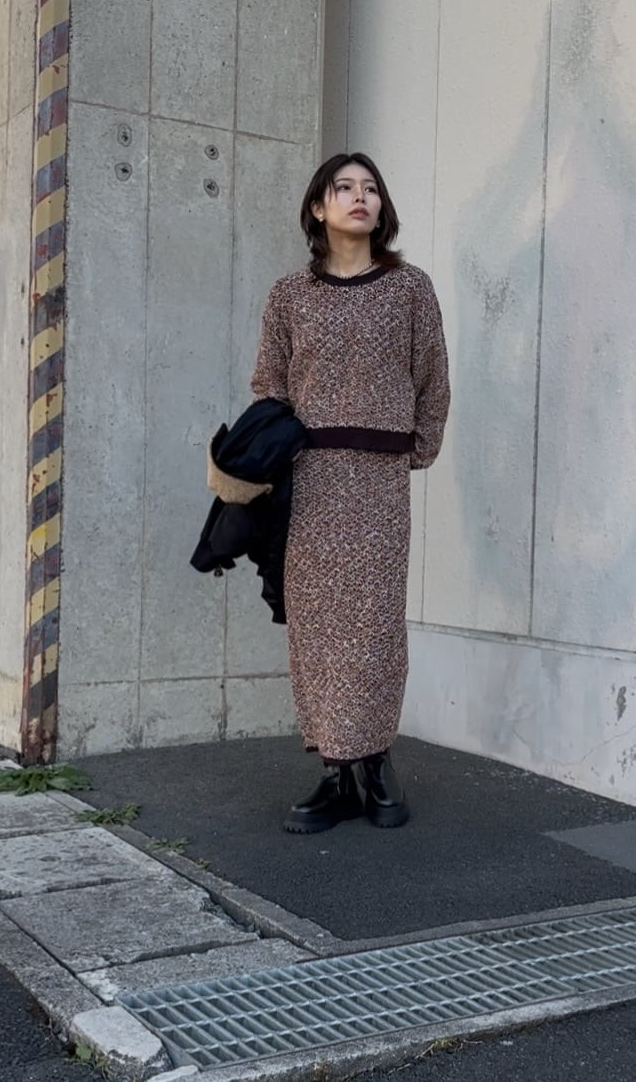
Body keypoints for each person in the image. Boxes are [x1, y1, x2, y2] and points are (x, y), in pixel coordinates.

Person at [250, 153, 450, 834]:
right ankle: (336, 771)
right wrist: (272, 457)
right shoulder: (289, 295)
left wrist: (418, 447)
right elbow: (270, 384)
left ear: (381, 207)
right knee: (317, 623)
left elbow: (433, 376)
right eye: (344, 188)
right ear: (318, 207)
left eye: (370, 189)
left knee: (373, 621)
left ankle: (376, 760)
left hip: (378, 479)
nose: (359, 197)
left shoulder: (409, 288)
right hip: (310, 478)